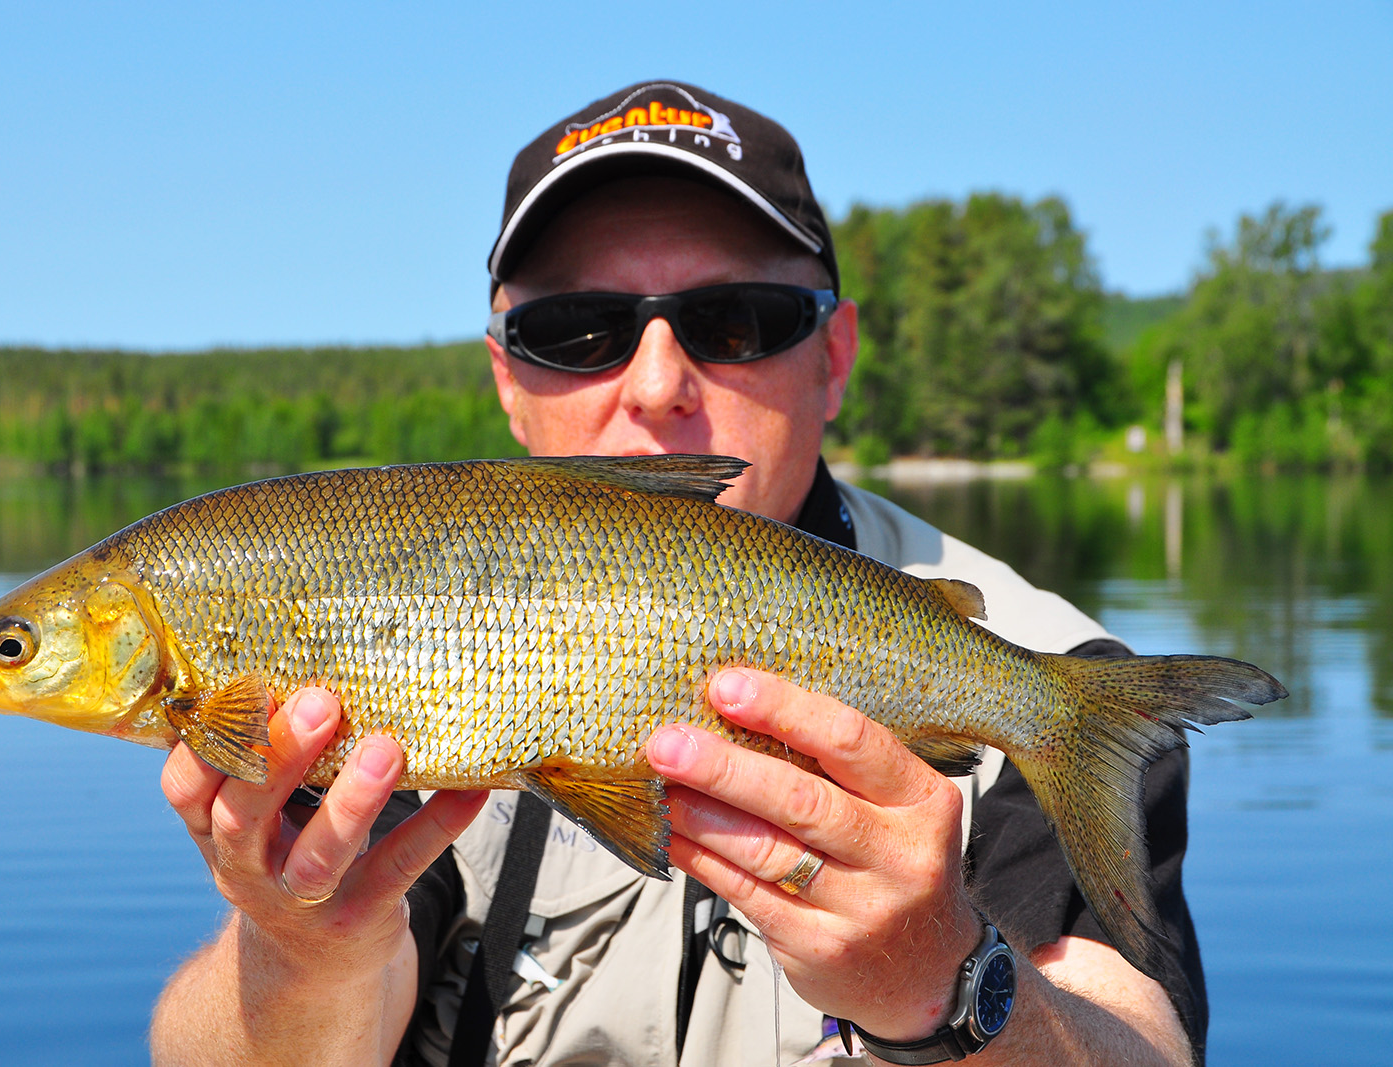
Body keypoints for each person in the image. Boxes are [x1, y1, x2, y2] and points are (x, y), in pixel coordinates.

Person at [150, 82, 1206, 1066]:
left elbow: (1138, 1039)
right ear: (506, 378)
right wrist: (298, 951)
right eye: (577, 332)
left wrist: (947, 985)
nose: (657, 383)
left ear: (832, 357)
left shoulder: (1043, 666)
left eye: (733, 321)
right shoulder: (402, 622)